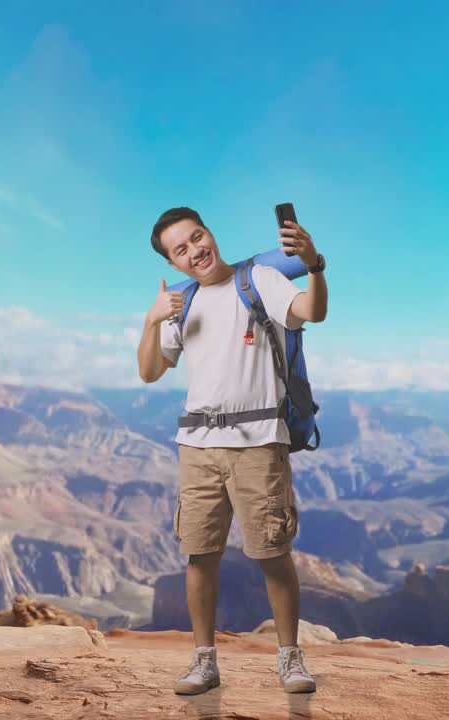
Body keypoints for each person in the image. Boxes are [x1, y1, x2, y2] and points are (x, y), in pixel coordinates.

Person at [137, 206, 329, 695]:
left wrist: (314, 266)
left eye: (197, 237)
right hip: (197, 447)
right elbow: (149, 372)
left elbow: (313, 312)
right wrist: (151, 320)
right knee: (199, 555)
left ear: (210, 232)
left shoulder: (258, 279)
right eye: (181, 249)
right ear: (175, 263)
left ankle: (290, 659)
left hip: (259, 444)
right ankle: (204, 662)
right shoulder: (181, 302)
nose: (195, 250)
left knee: (272, 552)